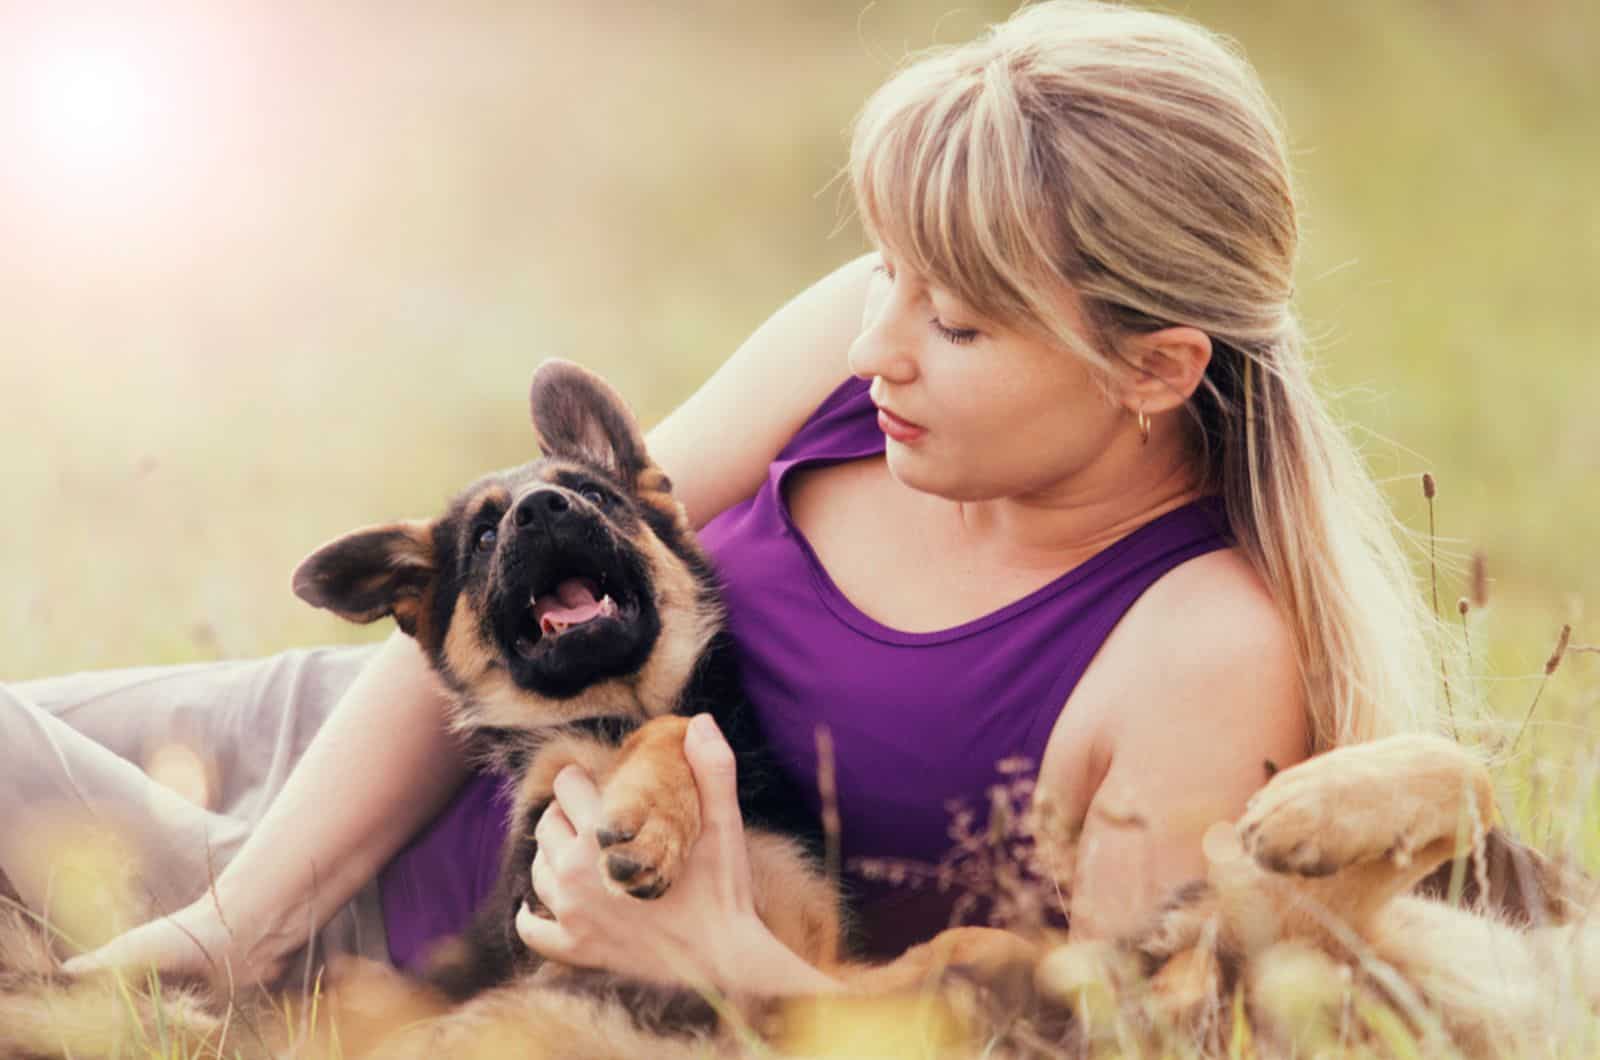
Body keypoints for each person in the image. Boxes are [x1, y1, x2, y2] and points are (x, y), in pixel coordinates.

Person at [7, 0, 1437, 998]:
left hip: (424, 955)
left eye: (959, 326)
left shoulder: (1204, 654)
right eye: (891, 272)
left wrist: (725, 970)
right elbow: (471, 608)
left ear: (1155, 367)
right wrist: (235, 921)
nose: (878, 345)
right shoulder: (865, 346)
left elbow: (1089, 1031)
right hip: (333, 763)